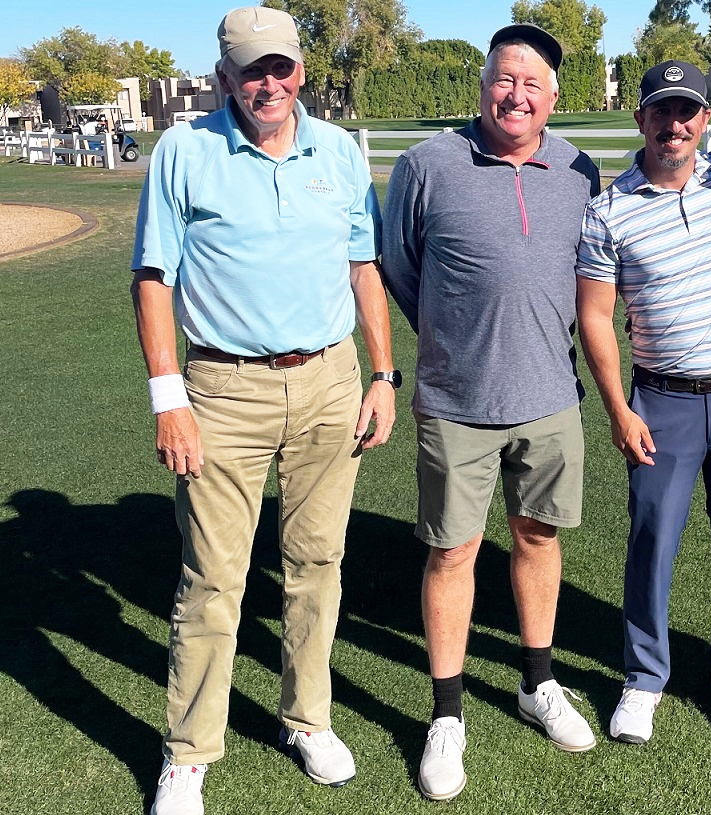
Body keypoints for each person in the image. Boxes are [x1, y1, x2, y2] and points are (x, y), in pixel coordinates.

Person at [130, 8, 396, 814]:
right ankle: (189, 752)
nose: (268, 83)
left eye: (280, 67)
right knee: (213, 578)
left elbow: (363, 267)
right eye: (251, 71)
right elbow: (154, 277)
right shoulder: (186, 151)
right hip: (223, 389)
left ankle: (307, 718)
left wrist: (383, 373)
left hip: (329, 382)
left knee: (317, 565)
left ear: (301, 72)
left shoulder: (339, 152)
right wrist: (168, 396)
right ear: (224, 78)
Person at [381, 23, 601, 803]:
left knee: (538, 538)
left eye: (532, 84)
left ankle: (537, 682)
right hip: (457, 403)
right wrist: (451, 343)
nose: (516, 95)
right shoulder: (426, 165)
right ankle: (447, 713)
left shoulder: (580, 168)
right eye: (505, 80)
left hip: (552, 399)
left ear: (553, 98)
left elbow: (592, 277)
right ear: (483, 87)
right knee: (452, 553)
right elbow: (398, 268)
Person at [575, 61, 711, 745]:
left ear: (706, 121)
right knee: (652, 540)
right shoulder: (608, 208)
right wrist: (618, 410)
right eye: (662, 111)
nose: (676, 124)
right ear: (641, 121)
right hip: (660, 400)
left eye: (688, 111)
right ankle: (644, 675)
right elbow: (595, 317)